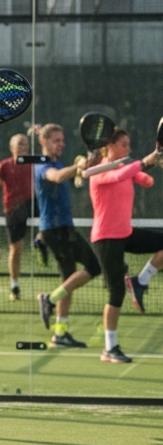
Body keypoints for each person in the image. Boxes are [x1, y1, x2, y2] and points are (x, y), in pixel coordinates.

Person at [85, 128, 163, 363]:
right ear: (110, 146)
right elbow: (119, 176)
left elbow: (146, 181)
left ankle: (140, 281)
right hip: (105, 238)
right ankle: (110, 348)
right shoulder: (98, 172)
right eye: (123, 145)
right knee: (117, 292)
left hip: (125, 233)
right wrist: (140, 163)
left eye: (129, 145)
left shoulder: (124, 167)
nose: (127, 149)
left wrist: (150, 162)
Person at [33, 124, 100, 348]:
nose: (61, 144)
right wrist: (77, 166)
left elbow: (71, 173)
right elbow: (58, 177)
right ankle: (48, 300)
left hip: (63, 227)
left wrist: (88, 162)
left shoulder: (57, 161)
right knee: (94, 265)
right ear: (44, 143)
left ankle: (60, 332)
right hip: (56, 229)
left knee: (68, 281)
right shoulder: (43, 165)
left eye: (62, 140)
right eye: (56, 141)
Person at [0, 133, 36, 300]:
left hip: (31, 204)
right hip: (13, 209)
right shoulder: (4, 165)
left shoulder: (34, 163)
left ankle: (40, 241)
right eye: (19, 144)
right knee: (16, 248)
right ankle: (14, 285)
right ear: (11, 147)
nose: (22, 146)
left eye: (24, 143)